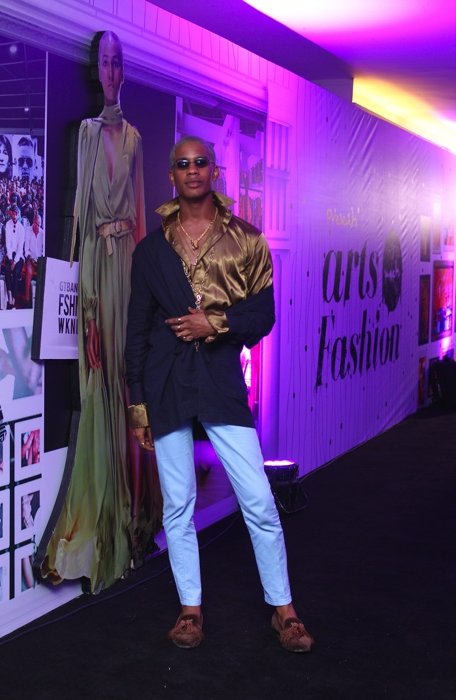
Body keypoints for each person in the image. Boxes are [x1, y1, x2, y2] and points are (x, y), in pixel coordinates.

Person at [125, 136, 314, 653]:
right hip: (165, 383)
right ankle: (190, 610)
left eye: (201, 162)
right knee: (178, 505)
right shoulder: (151, 250)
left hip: (220, 380)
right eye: (182, 163)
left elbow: (263, 314)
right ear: (172, 175)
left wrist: (216, 323)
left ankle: (283, 610)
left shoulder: (247, 240)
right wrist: (137, 405)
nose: (192, 170)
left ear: (215, 170)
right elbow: (136, 331)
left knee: (258, 500)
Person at [41, 31, 162, 593]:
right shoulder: (87, 134)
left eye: (116, 62)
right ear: (97, 70)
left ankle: (133, 515)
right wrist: (85, 303)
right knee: (100, 388)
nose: (110, 71)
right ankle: (101, 522)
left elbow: (139, 218)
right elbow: (79, 221)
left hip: (127, 270)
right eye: (103, 62)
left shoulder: (135, 138)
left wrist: (145, 295)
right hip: (96, 269)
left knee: (128, 383)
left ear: (123, 71)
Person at [3, 204, 25, 309]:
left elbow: (20, 248)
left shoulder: (22, 228)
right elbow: (8, 244)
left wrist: (15, 261)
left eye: (16, 214)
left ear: (18, 215)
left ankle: (14, 300)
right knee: (7, 270)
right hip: (10, 254)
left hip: (19, 256)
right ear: (11, 214)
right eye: (13, 214)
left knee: (16, 272)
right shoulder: (7, 225)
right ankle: (10, 298)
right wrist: (11, 260)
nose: (14, 216)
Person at [23, 213, 44, 306]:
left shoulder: (43, 233)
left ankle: (40, 300)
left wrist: (40, 260)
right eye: (36, 224)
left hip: (40, 260)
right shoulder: (28, 231)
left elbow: (44, 250)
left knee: (43, 272)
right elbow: (26, 249)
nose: (37, 227)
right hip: (30, 259)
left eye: (39, 225)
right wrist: (31, 259)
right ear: (33, 221)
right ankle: (27, 299)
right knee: (29, 272)